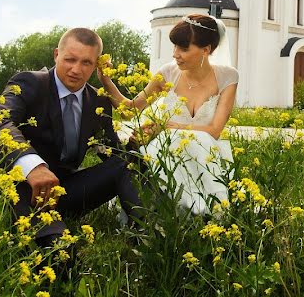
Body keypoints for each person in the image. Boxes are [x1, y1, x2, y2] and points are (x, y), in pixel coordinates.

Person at [0, 27, 145, 250]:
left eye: (86, 63)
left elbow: (112, 154)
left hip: (64, 192)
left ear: (97, 65)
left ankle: (145, 234)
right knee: (61, 253)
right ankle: (50, 235)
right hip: (22, 190)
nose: (76, 70)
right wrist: (33, 166)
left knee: (129, 163)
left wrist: (136, 143)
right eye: (70, 59)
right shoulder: (29, 82)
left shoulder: (98, 101)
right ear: (56, 55)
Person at [99, 14, 238, 216]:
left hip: (205, 152)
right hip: (167, 151)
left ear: (206, 50)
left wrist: (165, 126)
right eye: (174, 47)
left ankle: (205, 210)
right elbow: (130, 110)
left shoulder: (228, 76)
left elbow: (214, 131)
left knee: (198, 139)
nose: (175, 54)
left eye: (183, 48)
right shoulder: (168, 73)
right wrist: (106, 81)